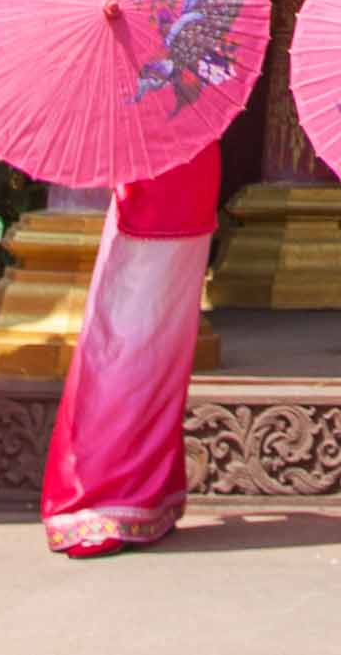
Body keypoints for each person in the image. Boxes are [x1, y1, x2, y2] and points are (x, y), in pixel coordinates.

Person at [40, 153, 220, 556]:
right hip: (161, 189)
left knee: (130, 348)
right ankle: (137, 493)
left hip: (168, 190)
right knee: (137, 346)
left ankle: (113, 499)